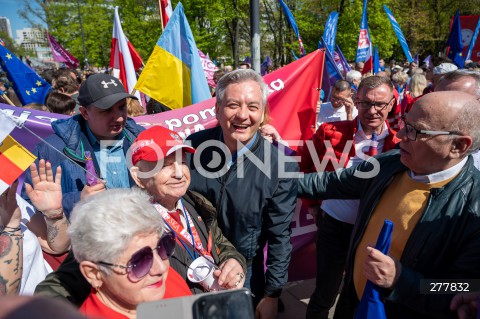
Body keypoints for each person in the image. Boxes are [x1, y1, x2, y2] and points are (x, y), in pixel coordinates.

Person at [298, 91, 480, 318]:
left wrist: (401, 280)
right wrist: (270, 182)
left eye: (415, 130)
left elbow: (465, 288)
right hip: (353, 303)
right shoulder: (390, 163)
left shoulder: (473, 210)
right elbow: (329, 182)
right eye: (405, 123)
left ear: (459, 145)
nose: (401, 134)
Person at [34, 126, 246, 302]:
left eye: (182, 162)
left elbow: (223, 246)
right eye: (165, 165)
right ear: (138, 176)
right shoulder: (121, 218)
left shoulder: (196, 203)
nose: (179, 173)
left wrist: (235, 264)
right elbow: (60, 285)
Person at [187, 69, 298, 319]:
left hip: (243, 275)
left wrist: (272, 295)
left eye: (252, 107)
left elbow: (280, 237)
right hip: (191, 266)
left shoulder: (281, 166)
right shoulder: (192, 146)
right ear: (217, 109)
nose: (242, 115)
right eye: (233, 105)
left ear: (263, 114)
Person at [299, 75, 400, 319]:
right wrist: (313, 205)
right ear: (356, 101)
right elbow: (307, 166)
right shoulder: (331, 132)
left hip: (374, 232)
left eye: (380, 104)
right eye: (365, 103)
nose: (372, 111)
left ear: (391, 104)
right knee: (325, 290)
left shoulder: (400, 143)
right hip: (333, 225)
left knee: (357, 290)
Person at [22, 73, 144, 218]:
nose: (118, 117)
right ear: (85, 112)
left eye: (122, 107)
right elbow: (29, 204)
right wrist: (79, 200)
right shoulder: (51, 150)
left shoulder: (143, 139)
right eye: (106, 110)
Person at [69, 188, 191, 318]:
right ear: (94, 274)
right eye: (140, 261)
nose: (161, 268)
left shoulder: (163, 281)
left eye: (162, 247)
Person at [0, 161, 70, 295]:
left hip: (56, 297)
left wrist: (54, 213)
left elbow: (57, 246)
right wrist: (11, 226)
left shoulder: (4, 195)